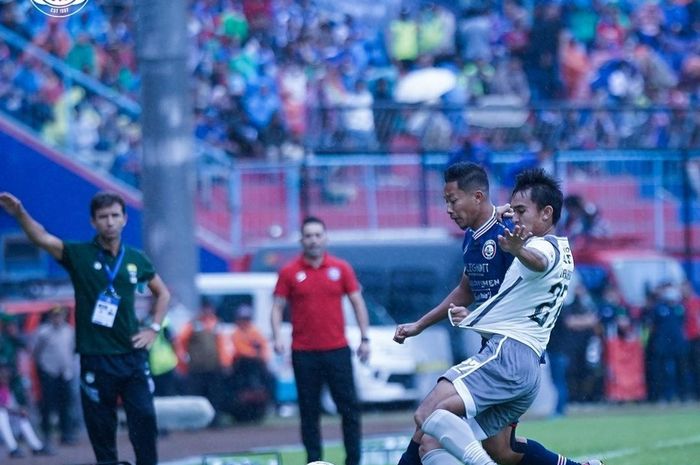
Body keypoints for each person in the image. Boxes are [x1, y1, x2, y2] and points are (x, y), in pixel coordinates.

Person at [393, 166, 602, 465]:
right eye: (445, 201)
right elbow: (467, 289)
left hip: (507, 353)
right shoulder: (480, 237)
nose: (448, 209)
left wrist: (517, 248)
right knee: (499, 449)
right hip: (514, 358)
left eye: (453, 200)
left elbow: (539, 261)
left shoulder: (522, 240)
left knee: (430, 415)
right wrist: (422, 324)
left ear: (477, 197)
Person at [0, 191, 170, 465]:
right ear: (93, 222)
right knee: (102, 430)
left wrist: (153, 327)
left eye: (115, 216)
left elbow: (163, 294)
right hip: (96, 358)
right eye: (103, 217)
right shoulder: (78, 255)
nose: (110, 222)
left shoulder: (136, 259)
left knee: (145, 420)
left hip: (131, 356)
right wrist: (20, 213)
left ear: (125, 219)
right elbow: (41, 238)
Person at [270, 216, 370, 465]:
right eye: (308, 236)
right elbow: (276, 307)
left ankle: (353, 461)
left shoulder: (341, 268)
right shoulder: (289, 272)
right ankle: (314, 461)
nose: (313, 240)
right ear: (301, 240)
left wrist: (364, 338)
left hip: (337, 350)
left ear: (325, 238)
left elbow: (357, 303)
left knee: (349, 409)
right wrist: (277, 337)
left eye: (317, 235)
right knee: (309, 412)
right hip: (304, 353)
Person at [175, 297, 227, 425]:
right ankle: (194, 422)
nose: (208, 310)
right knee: (196, 396)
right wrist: (183, 361)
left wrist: (225, 362)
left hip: (214, 366)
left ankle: (215, 420)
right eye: (206, 308)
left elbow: (223, 345)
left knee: (215, 395)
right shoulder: (193, 324)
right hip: (196, 367)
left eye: (210, 308)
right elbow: (180, 343)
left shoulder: (216, 323)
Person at [32, 305, 78, 446]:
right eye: (55, 315)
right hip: (49, 372)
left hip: (65, 373)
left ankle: (66, 434)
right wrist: (43, 369)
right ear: (51, 316)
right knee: (47, 405)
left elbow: (73, 350)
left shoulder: (69, 331)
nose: (58, 318)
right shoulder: (43, 332)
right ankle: (46, 435)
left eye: (60, 315)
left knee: (66, 405)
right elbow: (35, 352)